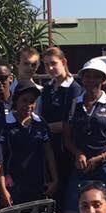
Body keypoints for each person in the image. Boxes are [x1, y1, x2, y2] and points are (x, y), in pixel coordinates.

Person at [62, 58, 106, 213]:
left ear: (103, 79)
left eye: (96, 76)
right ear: (82, 78)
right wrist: (78, 153)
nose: (91, 80)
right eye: (87, 76)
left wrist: (100, 158)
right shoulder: (73, 104)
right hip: (81, 167)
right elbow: (66, 137)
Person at [0, 86, 58, 204]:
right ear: (16, 100)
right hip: (13, 186)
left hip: (38, 184)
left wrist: (55, 179)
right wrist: (2, 189)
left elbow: (49, 152)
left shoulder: (41, 123)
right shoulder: (5, 123)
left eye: (32, 102)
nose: (28, 105)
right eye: (24, 101)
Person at [38, 46, 82, 199]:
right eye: (46, 64)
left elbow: (69, 124)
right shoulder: (47, 88)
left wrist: (46, 128)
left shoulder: (74, 89)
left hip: (66, 150)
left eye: (53, 63)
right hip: (49, 148)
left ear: (64, 62)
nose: (50, 68)